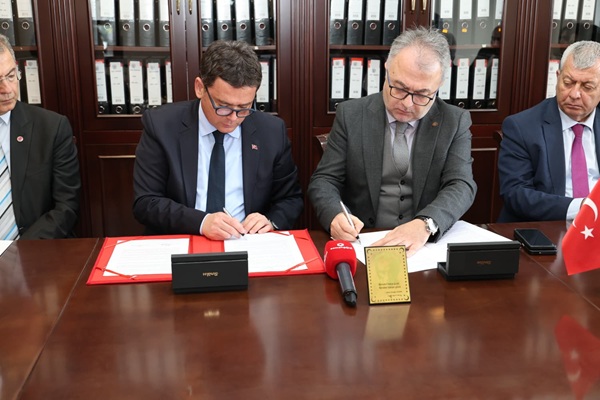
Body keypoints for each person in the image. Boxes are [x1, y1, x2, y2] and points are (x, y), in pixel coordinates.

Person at [308, 27, 477, 256]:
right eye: (399, 88)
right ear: (387, 68)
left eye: (422, 95)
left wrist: (425, 224)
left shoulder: (454, 121)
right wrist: (335, 215)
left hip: (424, 246)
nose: (407, 104)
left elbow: (461, 185)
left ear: (438, 86)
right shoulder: (351, 115)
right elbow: (325, 180)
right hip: (364, 242)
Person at [133, 40, 303, 239]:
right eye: (223, 106)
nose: (233, 118)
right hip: (185, 238)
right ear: (200, 88)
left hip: (246, 241)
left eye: (244, 108)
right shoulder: (162, 125)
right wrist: (201, 222)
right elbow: (146, 202)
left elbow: (290, 198)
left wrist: (270, 221)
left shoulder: (271, 131)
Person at [497, 40, 600, 222]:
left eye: (587, 87)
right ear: (558, 77)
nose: (574, 94)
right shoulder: (522, 126)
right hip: (546, 226)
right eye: (568, 82)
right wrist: (583, 208)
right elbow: (516, 194)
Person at [0, 34, 80, 239]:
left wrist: (18, 251)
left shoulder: (51, 128)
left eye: (11, 76)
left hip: (35, 248)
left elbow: (66, 206)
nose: (7, 89)